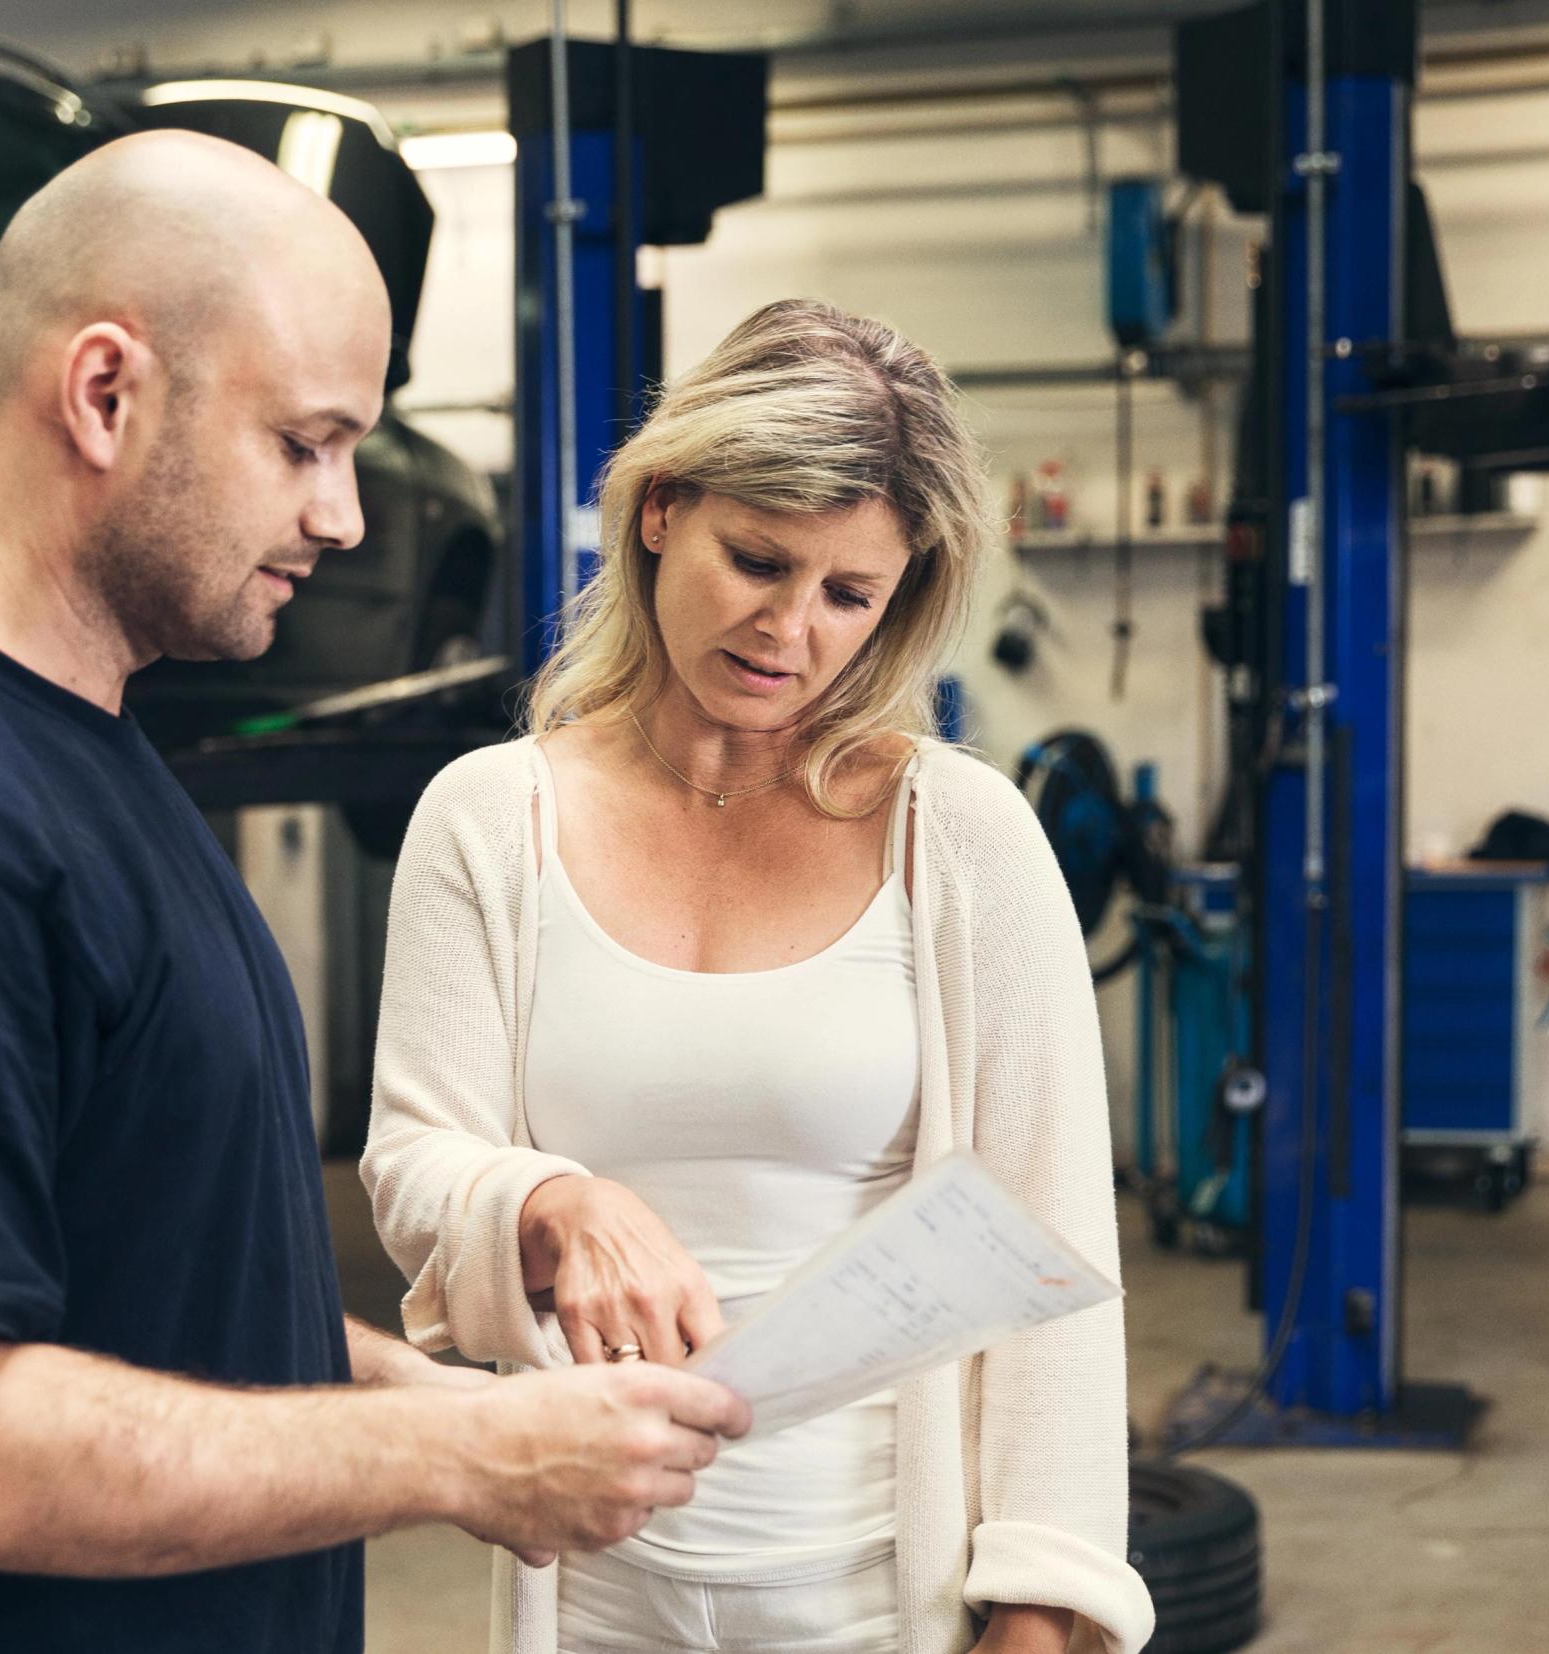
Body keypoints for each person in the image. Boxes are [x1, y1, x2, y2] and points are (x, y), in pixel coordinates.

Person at [0, 130, 750, 1654]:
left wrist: (458, 1403)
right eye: (304, 444)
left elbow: (168, 1292)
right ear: (104, 394)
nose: (346, 518)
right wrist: (463, 1455)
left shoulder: (89, 754)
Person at [361, 299, 1155, 1654]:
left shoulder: (956, 838)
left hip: (877, 1595)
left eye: (849, 593)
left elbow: (1051, 1241)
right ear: (662, 505)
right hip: (592, 1587)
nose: (790, 628)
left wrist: (1043, 1602)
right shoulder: (491, 818)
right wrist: (548, 1199)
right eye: (757, 559)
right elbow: (409, 1159)